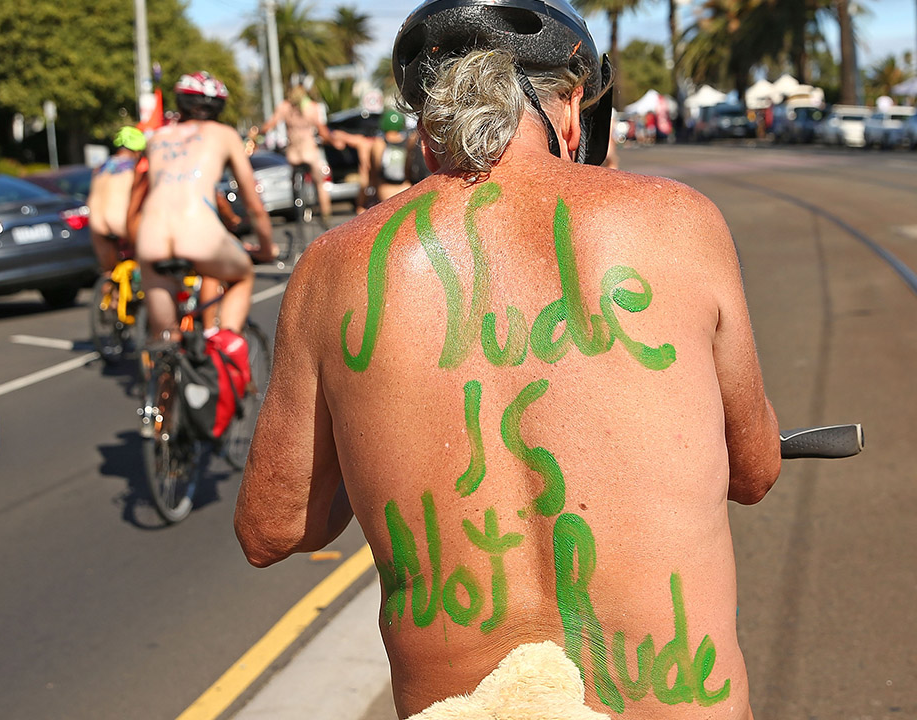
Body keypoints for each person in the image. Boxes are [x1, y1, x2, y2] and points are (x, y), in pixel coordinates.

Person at [233, 0, 781, 718]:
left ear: (429, 122)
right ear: (572, 105)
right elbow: (755, 469)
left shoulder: (336, 267)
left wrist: (367, 453)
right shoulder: (681, 224)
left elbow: (273, 529)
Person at [136, 71, 275, 342]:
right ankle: (225, 352)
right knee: (243, 275)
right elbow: (253, 203)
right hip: (198, 233)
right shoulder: (224, 135)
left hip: (151, 237)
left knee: (165, 339)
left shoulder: (156, 138)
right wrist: (267, 248)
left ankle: (166, 378)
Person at [260, 82, 339, 226]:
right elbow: (322, 131)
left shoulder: (284, 107)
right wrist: (334, 141)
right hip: (309, 152)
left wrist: (259, 131)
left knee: (293, 179)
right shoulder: (312, 108)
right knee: (320, 184)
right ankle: (326, 217)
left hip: (293, 154)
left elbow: (270, 125)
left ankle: (296, 201)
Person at [87, 126, 146, 275]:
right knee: (148, 251)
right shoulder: (134, 169)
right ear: (138, 151)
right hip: (117, 220)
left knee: (110, 274)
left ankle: (108, 293)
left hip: (95, 222)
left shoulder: (100, 168)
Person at [372, 108, 415, 202]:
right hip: (406, 187)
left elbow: (376, 168)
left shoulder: (379, 143)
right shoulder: (410, 141)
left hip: (386, 188)